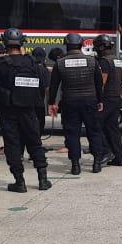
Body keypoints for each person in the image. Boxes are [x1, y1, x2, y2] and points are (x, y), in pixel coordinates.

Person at [0, 27, 50, 192]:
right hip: (29, 110)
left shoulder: (0, 64)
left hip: (8, 111)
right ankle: (43, 180)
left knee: (12, 146)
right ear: (21, 43)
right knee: (35, 143)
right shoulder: (33, 63)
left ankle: (20, 182)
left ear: (5, 43)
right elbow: (43, 85)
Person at [48, 33, 106, 175]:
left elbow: (54, 85)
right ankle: (97, 162)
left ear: (66, 45)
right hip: (90, 101)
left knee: (72, 133)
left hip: (70, 102)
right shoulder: (92, 61)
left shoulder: (60, 63)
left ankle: (75, 165)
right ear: (81, 45)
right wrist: (100, 100)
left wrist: (52, 103)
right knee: (94, 131)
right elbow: (99, 83)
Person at [93, 34, 122, 167]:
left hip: (106, 98)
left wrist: (97, 98)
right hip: (116, 97)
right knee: (113, 128)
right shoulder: (116, 59)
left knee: (96, 125)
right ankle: (119, 157)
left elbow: (102, 81)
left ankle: (106, 151)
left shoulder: (104, 61)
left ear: (101, 47)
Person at [31, 46, 49, 137]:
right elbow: (47, 87)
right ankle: (37, 137)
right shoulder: (44, 69)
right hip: (39, 100)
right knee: (40, 120)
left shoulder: (29, 66)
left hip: (28, 100)